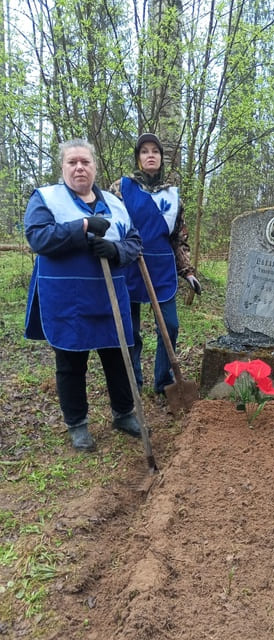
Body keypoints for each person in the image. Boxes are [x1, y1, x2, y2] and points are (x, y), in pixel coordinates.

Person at [24, 139, 143, 452]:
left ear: (94, 167)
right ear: (63, 167)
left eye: (85, 162)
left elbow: (134, 241)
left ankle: (123, 413)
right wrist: (84, 226)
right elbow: (38, 238)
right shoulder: (46, 199)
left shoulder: (115, 204)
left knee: (118, 357)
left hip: (109, 296)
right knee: (71, 362)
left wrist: (116, 250)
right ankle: (77, 424)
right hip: (68, 299)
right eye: (72, 162)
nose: (79, 167)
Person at [110, 133, 201, 396]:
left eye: (155, 151)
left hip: (162, 269)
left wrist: (188, 272)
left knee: (170, 325)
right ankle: (133, 382)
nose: (150, 155)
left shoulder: (173, 195)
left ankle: (163, 381)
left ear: (161, 158)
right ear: (138, 158)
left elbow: (178, 238)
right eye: (144, 151)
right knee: (131, 330)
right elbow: (111, 226)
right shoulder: (120, 188)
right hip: (129, 265)